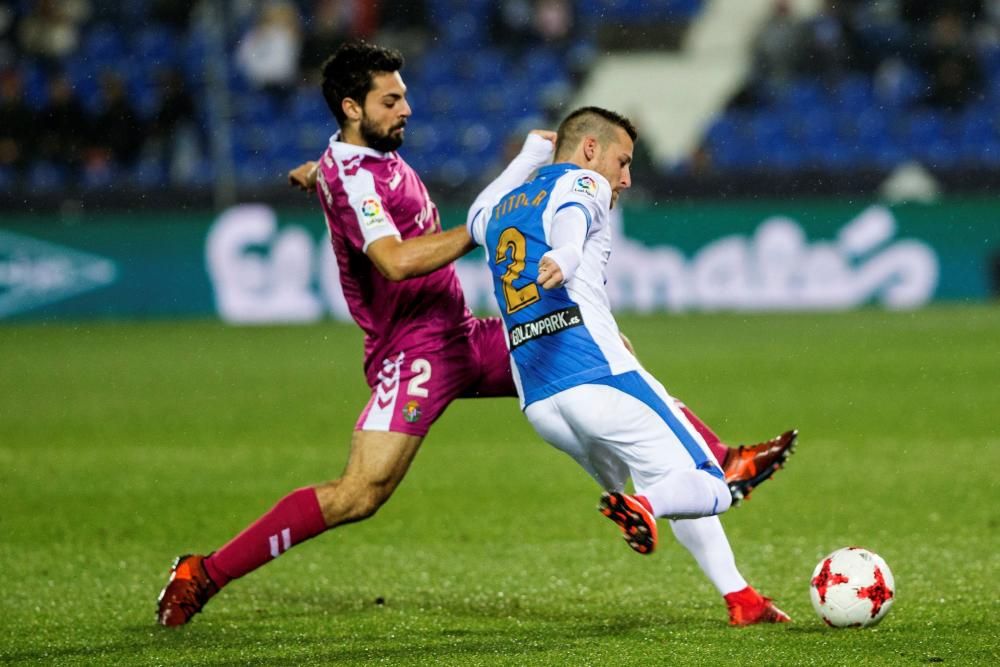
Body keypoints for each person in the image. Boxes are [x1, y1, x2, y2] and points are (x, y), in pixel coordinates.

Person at [156, 41, 794, 627]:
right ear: (353, 108)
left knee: (606, 354)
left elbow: (339, 169)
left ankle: (731, 553)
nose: (407, 106)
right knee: (359, 493)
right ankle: (202, 573)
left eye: (403, 94)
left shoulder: (357, 158)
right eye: (390, 99)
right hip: (414, 351)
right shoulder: (356, 175)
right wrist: (479, 227)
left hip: (461, 331)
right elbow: (395, 261)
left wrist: (313, 170)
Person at [465, 106, 791, 625]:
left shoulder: (503, 205)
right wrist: (567, 256)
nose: (626, 177)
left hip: (541, 403)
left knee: (660, 475)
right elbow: (573, 221)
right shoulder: (583, 182)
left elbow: (473, 218)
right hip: (598, 375)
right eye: (623, 160)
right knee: (713, 483)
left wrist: (528, 155)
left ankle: (741, 598)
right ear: (590, 149)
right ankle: (657, 501)